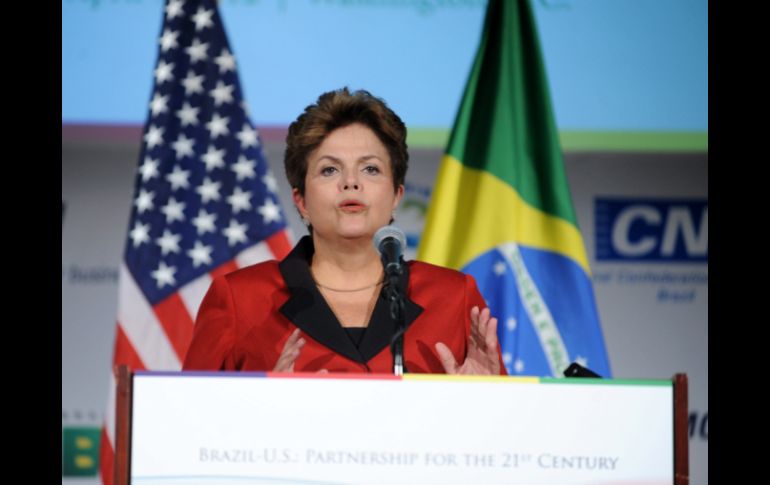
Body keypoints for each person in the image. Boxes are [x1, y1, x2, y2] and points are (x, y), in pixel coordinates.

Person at [183, 87, 505, 375]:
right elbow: (188, 422)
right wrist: (266, 405)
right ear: (302, 200)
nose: (351, 182)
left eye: (370, 168)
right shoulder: (240, 299)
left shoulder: (453, 297)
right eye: (329, 169)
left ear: (396, 196)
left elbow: (509, 431)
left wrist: (488, 403)